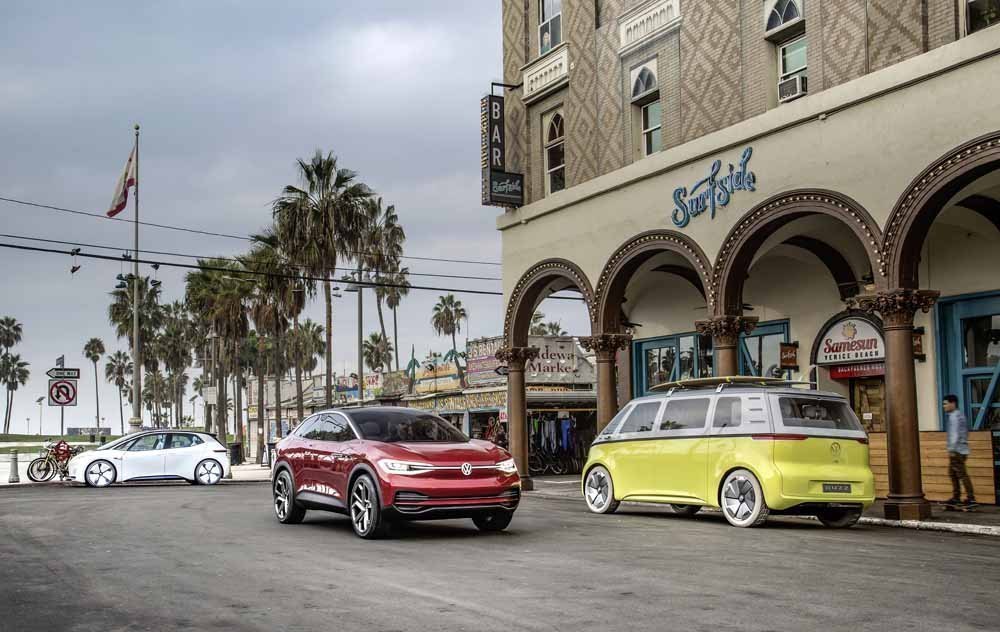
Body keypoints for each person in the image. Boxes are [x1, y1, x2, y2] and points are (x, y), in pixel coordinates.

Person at [943, 394, 977, 508]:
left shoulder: (954, 416)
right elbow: (966, 432)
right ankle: (956, 497)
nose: (944, 406)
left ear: (953, 403)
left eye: (946, 403)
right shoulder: (960, 415)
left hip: (957, 451)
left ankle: (970, 499)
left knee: (962, 474)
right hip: (961, 449)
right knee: (953, 473)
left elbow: (954, 434)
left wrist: (952, 449)